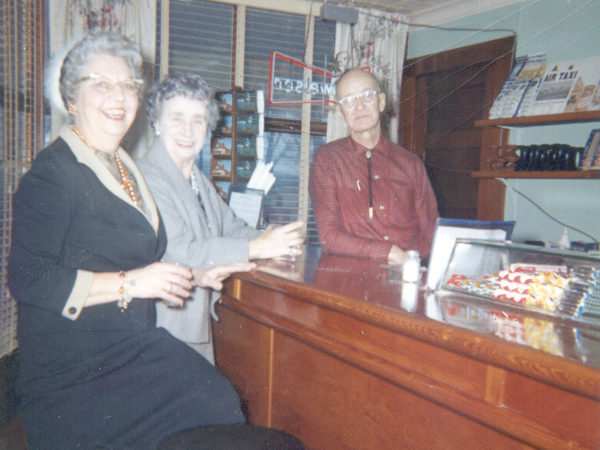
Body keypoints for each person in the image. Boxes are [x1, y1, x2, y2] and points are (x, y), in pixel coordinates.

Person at [7, 31, 301, 449]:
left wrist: (196, 276)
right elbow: (28, 277)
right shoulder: (54, 172)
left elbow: (155, 257)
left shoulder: (123, 166)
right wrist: (133, 283)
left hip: (129, 347)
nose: (119, 96)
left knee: (217, 400)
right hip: (77, 371)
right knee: (216, 411)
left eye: (128, 85)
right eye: (102, 84)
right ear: (73, 97)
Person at [137, 73, 305, 362]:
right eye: (177, 118)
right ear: (156, 123)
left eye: (198, 120)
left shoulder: (196, 179)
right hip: (164, 329)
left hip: (191, 324)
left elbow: (232, 227)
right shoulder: (148, 177)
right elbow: (182, 252)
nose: (188, 131)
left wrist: (278, 238)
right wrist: (259, 247)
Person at [309, 69, 438, 265]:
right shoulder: (327, 160)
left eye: (367, 96)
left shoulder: (411, 163)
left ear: (381, 102)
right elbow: (328, 236)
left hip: (409, 273)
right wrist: (388, 252)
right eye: (349, 100)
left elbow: (432, 231)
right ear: (341, 112)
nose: (359, 106)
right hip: (352, 279)